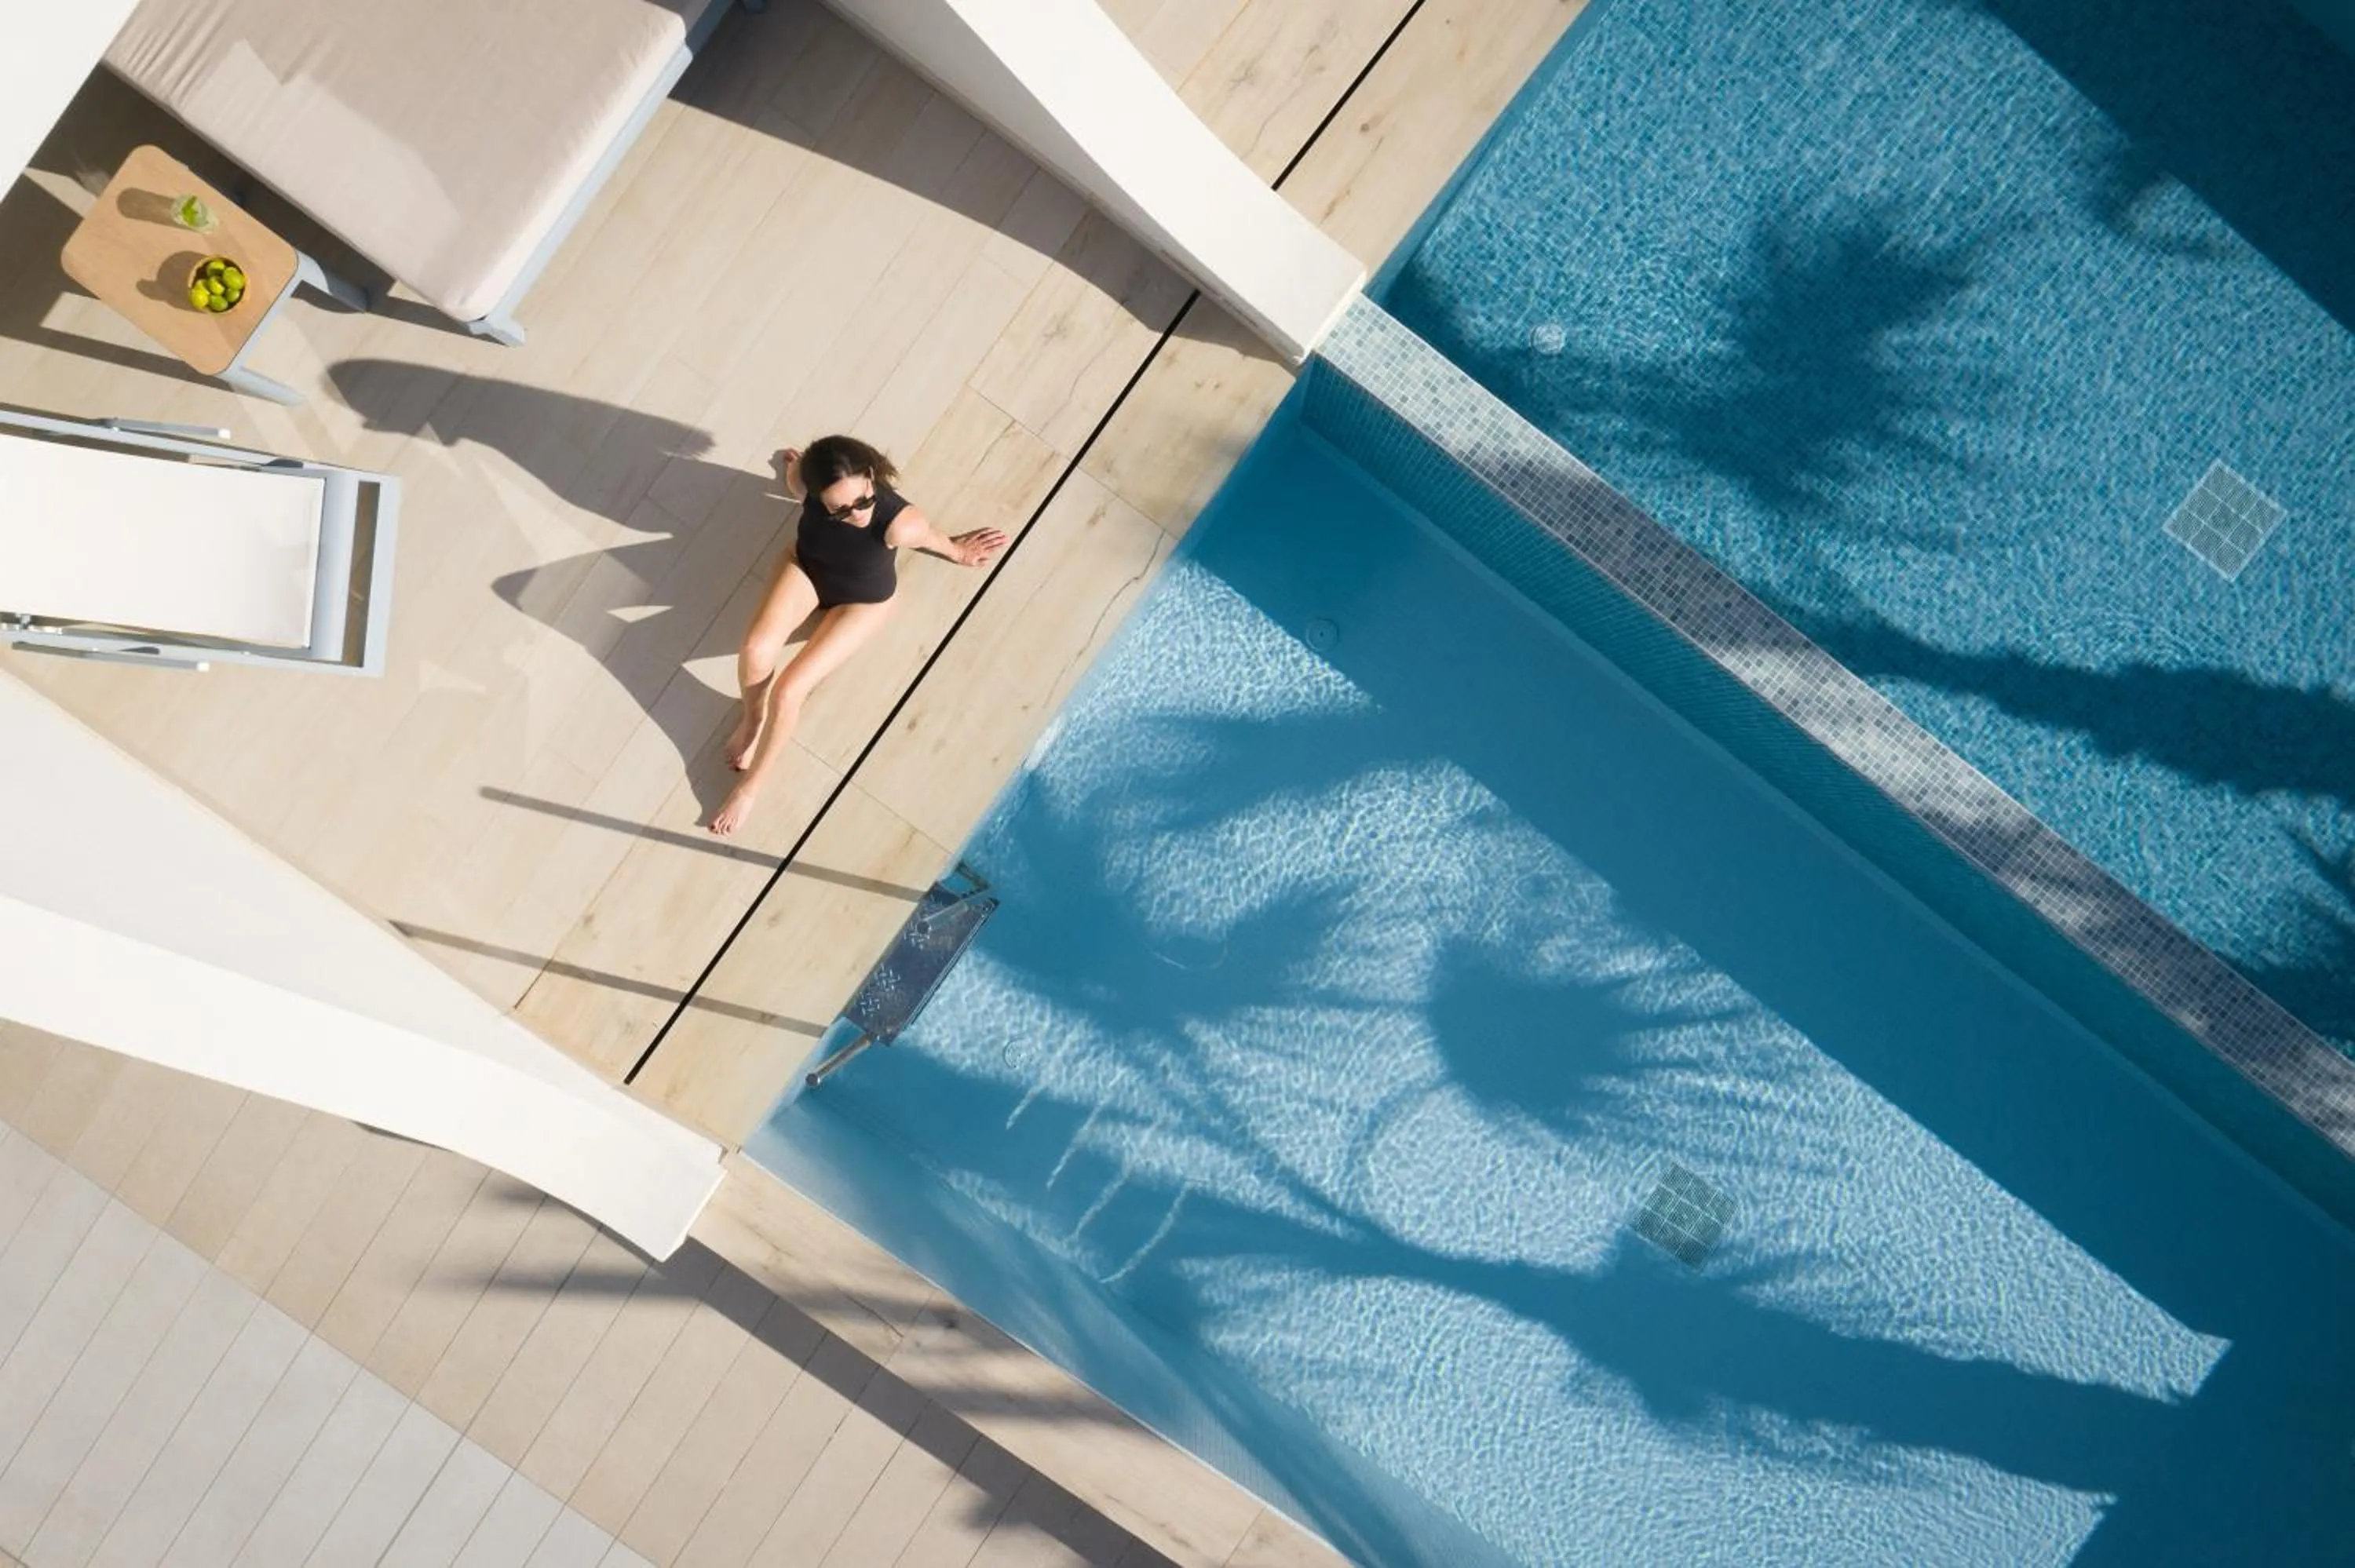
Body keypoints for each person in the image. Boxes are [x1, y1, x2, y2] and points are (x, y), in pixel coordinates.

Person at [710, 435, 1007, 836]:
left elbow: (930, 537)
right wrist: (799, 468)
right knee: (754, 649)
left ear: (870, 476)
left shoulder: (901, 524)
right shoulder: (806, 485)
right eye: (840, 510)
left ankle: (750, 788)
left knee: (788, 691)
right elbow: (797, 481)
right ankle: (752, 719)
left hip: (862, 601)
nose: (857, 514)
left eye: (863, 500)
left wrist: (958, 551)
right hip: (807, 570)